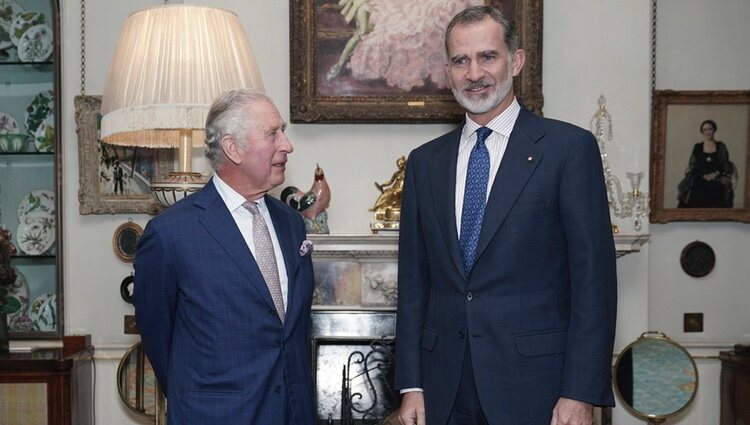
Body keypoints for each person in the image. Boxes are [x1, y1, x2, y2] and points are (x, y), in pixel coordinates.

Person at [395, 6, 617, 425]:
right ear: (448, 71)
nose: (474, 72)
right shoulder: (425, 163)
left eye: (488, 56)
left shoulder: (568, 150)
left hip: (540, 390)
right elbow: (413, 286)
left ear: (516, 61)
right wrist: (411, 385)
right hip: (444, 391)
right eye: (461, 60)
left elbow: (594, 285)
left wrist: (580, 392)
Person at [133, 89, 316, 425]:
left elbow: (293, 333)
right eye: (272, 133)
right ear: (233, 148)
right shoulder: (170, 234)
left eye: (283, 132)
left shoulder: (291, 224)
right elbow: (160, 340)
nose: (287, 145)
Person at [677, 119, 735, 208]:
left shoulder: (721, 146)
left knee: (718, 187)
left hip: (717, 177)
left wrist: (714, 174)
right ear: (702, 132)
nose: (707, 132)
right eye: (705, 130)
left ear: (714, 130)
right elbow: (693, 165)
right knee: (697, 187)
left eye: (710, 129)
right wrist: (703, 175)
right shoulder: (698, 147)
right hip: (699, 176)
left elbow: (725, 164)